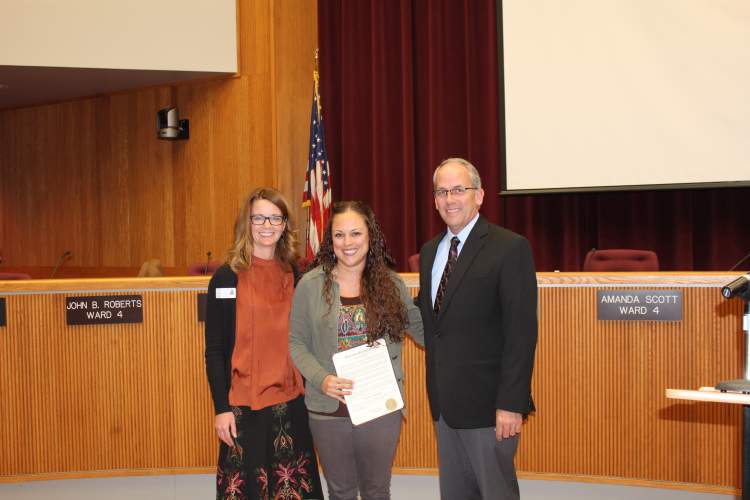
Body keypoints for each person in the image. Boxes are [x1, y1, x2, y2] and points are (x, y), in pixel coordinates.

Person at [416, 158, 538, 500]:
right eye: (441, 192)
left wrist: (512, 404)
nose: (449, 199)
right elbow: (431, 318)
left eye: (459, 190)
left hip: (490, 410)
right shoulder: (430, 252)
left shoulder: (509, 248)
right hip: (444, 406)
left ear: (479, 195)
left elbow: (522, 333)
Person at [289, 200, 424, 500]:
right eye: (339, 235)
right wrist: (321, 378)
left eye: (355, 234)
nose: (347, 243)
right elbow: (296, 342)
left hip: (379, 409)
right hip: (329, 409)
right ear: (330, 241)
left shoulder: (391, 284)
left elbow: (425, 332)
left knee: (377, 491)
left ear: (370, 236)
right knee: (340, 492)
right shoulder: (310, 285)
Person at [204, 187, 323, 500]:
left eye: (275, 218)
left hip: (291, 404)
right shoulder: (226, 279)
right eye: (259, 217)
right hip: (243, 408)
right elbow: (215, 350)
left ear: (284, 224)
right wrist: (221, 409)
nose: (267, 225)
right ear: (247, 222)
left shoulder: (297, 274)